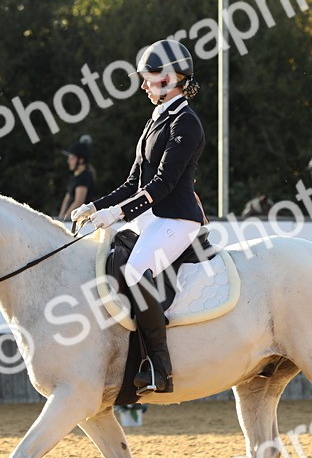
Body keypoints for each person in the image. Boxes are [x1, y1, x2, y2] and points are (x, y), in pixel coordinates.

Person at [71, 39, 205, 395]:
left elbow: (163, 184)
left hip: (176, 219)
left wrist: (119, 213)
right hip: (149, 218)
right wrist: (96, 207)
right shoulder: (155, 120)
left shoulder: (186, 123)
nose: (143, 85)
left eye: (149, 77)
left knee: (134, 270)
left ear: (174, 77)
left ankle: (159, 367)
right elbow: (134, 182)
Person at [57, 135, 96, 221]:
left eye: (72, 158)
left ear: (81, 160)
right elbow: (67, 198)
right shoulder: (75, 176)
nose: (68, 161)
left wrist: (65, 219)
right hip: (71, 219)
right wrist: (60, 216)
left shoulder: (84, 177)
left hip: (80, 221)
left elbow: (79, 202)